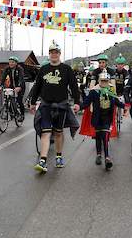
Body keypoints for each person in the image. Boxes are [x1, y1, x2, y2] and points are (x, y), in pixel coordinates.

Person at [30, 41, 80, 173]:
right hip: (46, 105)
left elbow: (74, 86)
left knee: (58, 133)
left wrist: (77, 102)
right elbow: (37, 87)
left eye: (56, 52)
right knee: (45, 132)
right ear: (49, 54)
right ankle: (43, 160)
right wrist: (32, 102)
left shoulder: (66, 69)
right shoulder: (43, 69)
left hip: (61, 106)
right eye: (52, 52)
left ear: (59, 54)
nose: (54, 55)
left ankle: (58, 156)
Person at [81, 70, 125, 170]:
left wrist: (125, 107)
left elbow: (117, 101)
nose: (104, 83)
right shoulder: (94, 91)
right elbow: (86, 103)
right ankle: (98, 154)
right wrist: (78, 107)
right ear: (99, 80)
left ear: (108, 81)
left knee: (105, 136)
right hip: (97, 117)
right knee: (98, 136)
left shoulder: (110, 90)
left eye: (106, 81)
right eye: (102, 80)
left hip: (107, 118)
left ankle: (107, 157)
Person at [0, 56, 26, 122]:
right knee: (9, 99)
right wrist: (0, 85)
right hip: (12, 86)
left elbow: (21, 78)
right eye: (10, 62)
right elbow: (3, 77)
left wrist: (19, 86)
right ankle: (12, 114)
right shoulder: (7, 69)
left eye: (13, 62)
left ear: (16, 63)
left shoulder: (20, 69)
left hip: (20, 87)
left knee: (19, 101)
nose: (11, 63)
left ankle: (22, 115)